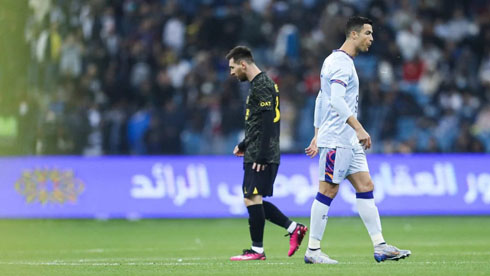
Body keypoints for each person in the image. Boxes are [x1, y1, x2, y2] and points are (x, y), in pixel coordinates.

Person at [304, 16, 411, 264]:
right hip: (338, 139)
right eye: (367, 33)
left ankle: (380, 246)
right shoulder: (341, 64)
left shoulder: (333, 61)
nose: (371, 38)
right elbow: (336, 101)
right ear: (353, 35)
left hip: (347, 139)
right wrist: (358, 128)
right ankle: (313, 250)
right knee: (328, 190)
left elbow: (322, 98)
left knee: (365, 186)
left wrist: (316, 132)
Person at [226, 46, 308, 261]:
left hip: (262, 154)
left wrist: (262, 155)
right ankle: (293, 229)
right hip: (255, 149)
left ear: (243, 64)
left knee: (251, 197)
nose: (231, 72)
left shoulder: (262, 84)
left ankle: (258, 250)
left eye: (233, 67)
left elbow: (269, 121)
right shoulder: (260, 84)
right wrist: (244, 143)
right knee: (253, 199)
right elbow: (258, 123)